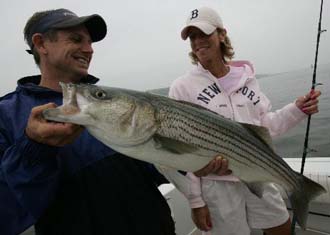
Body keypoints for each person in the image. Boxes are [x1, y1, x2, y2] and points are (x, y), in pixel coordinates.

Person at [0, 8, 228, 235]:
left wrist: (191, 160)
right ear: (41, 44)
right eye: (76, 39)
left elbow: (152, 168)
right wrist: (33, 147)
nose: (88, 49)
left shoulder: (110, 102)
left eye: (90, 43)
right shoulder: (7, 115)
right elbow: (7, 214)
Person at [166, 6, 321, 235]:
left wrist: (297, 110)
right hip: (216, 186)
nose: (197, 41)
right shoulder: (182, 87)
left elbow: (266, 127)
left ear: (221, 34)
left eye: (204, 34)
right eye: (192, 37)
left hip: (257, 170)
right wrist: (196, 202)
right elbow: (183, 150)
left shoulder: (247, 79)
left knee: (282, 229)